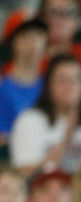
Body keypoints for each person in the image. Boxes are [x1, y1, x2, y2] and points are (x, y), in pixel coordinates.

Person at [9, 53, 81, 176]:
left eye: (77, 79)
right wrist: (67, 139)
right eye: (62, 80)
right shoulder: (29, 120)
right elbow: (25, 175)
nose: (70, 86)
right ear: (49, 86)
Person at [0, 17, 47, 147]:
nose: (34, 42)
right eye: (26, 35)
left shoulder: (51, 87)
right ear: (13, 42)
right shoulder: (3, 85)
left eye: (39, 35)